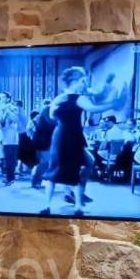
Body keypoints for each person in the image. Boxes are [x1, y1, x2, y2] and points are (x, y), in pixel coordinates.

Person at [41, 67, 116, 217]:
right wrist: (113, 104)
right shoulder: (78, 98)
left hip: (60, 134)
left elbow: (52, 116)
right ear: (75, 81)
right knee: (80, 166)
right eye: (83, 80)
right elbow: (93, 108)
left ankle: (51, 205)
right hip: (71, 136)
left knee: (58, 168)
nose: (84, 83)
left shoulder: (59, 98)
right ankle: (77, 204)